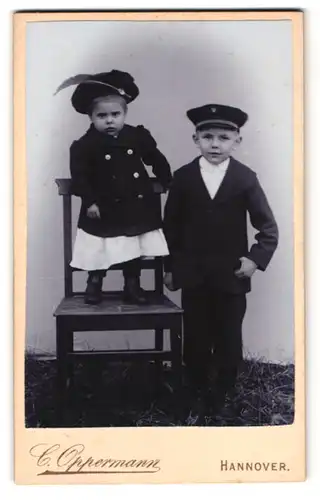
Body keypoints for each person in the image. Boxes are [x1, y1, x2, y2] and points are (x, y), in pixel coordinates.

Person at [163, 104, 279, 415]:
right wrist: (171, 268)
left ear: (237, 141)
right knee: (197, 333)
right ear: (195, 138)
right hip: (194, 274)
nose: (215, 144)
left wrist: (254, 260)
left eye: (224, 137)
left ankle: (224, 392)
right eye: (208, 136)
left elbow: (267, 226)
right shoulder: (184, 177)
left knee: (229, 334)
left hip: (231, 275)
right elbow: (170, 227)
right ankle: (196, 388)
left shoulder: (244, 178)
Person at [55, 70, 172, 305]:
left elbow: (155, 157)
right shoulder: (85, 145)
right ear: (91, 117)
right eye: (102, 116)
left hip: (136, 205)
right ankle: (94, 283)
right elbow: (80, 177)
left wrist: (167, 179)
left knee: (133, 245)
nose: (109, 120)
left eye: (115, 114)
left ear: (125, 113)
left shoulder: (137, 136)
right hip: (102, 207)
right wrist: (90, 202)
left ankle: (132, 284)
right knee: (100, 246)